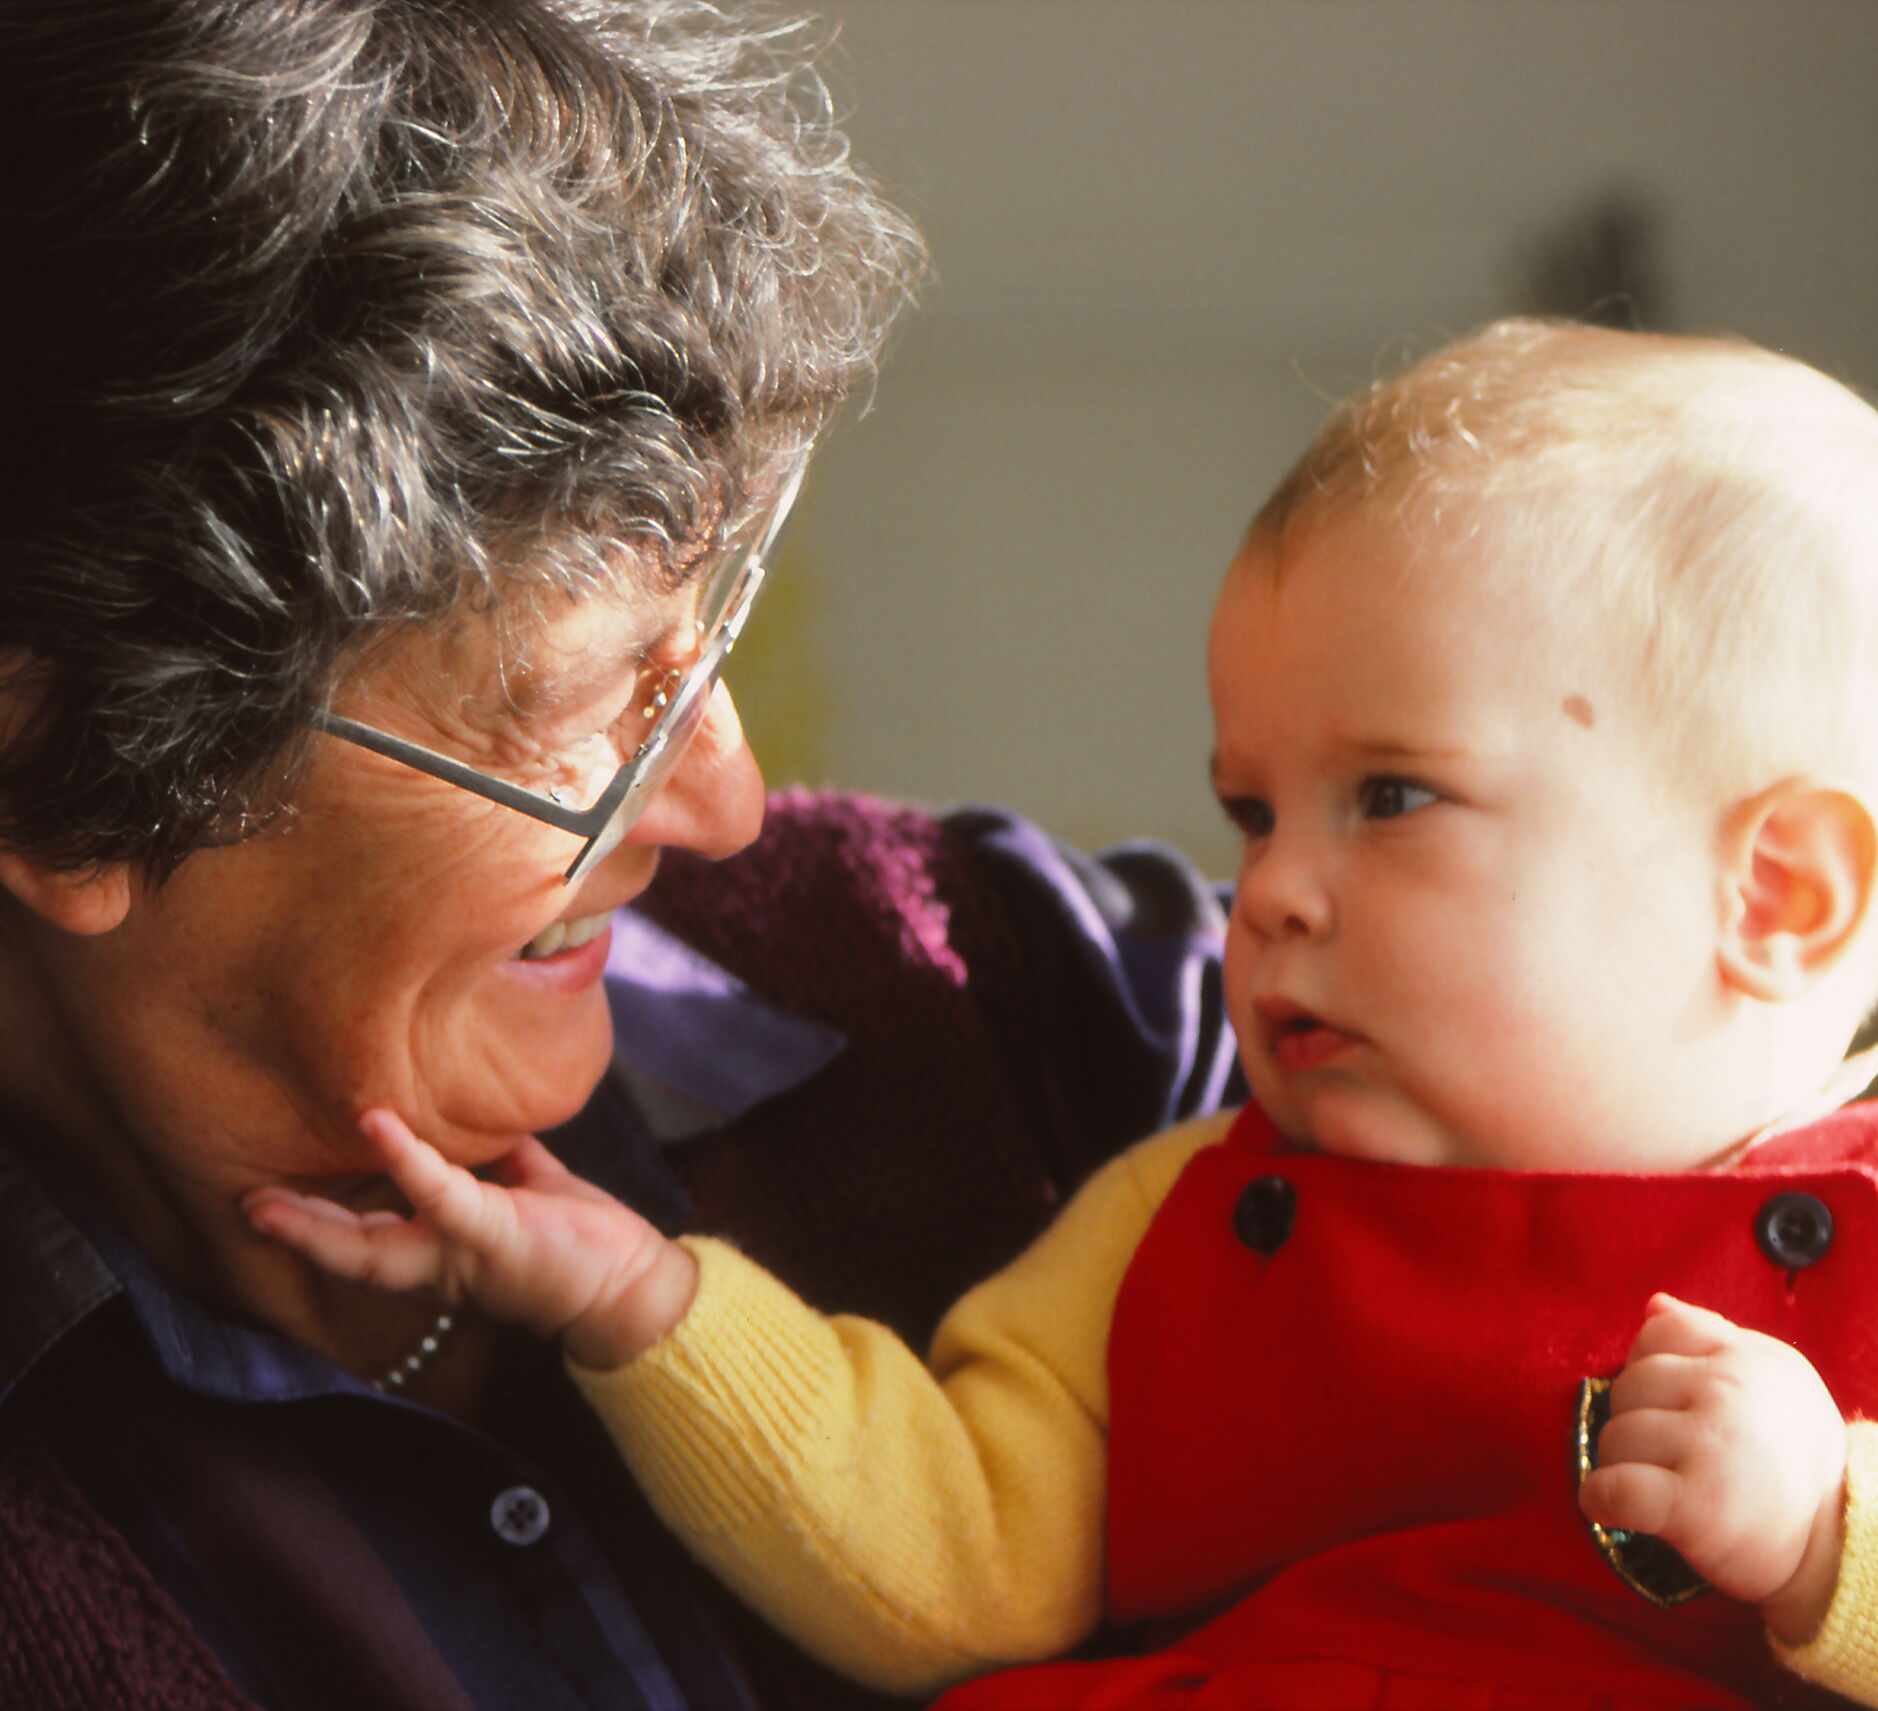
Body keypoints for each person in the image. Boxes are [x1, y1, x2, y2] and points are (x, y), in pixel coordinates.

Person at [250, 320, 1878, 1710]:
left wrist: (1839, 1533)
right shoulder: (1176, 1218)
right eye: (1253, 810)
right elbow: (954, 1557)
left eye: (1393, 799)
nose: (1270, 888)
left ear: (1774, 894)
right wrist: (643, 1303)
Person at [0, 5, 1240, 1710]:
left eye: (713, 627)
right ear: (62, 776)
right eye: (592, 704)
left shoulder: (1005, 991)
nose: (727, 806)